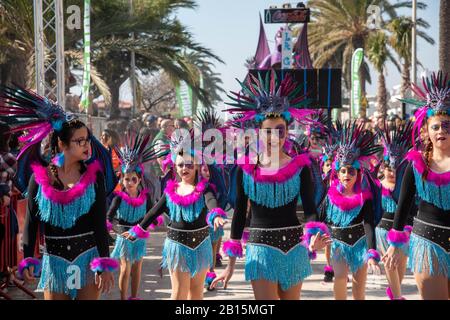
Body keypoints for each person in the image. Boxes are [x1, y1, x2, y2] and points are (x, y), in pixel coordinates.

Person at [211, 72, 331, 300]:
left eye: (280, 130)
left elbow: (310, 208)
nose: (274, 136)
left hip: (295, 248)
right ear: (258, 131)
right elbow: (238, 214)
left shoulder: (300, 166)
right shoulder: (246, 168)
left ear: (287, 131)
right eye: (268, 130)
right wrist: (229, 265)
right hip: (260, 249)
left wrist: (313, 233)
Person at [0, 86, 118, 300]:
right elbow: (32, 222)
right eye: (80, 141)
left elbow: (99, 224)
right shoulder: (39, 178)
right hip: (54, 261)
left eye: (88, 139)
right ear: (62, 144)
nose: (87, 145)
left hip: (88, 259)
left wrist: (104, 262)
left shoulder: (95, 177)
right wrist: (28, 258)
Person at [123, 130, 226, 300]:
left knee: (196, 294)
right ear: (175, 167)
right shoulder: (170, 192)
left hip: (201, 246)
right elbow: (154, 211)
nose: (184, 168)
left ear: (197, 166)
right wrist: (137, 230)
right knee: (178, 294)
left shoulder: (204, 189)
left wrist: (215, 215)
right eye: (180, 165)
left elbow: (211, 202)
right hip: (177, 247)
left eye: (189, 164)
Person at [383, 71, 450, 300]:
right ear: (427, 132)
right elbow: (403, 205)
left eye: (446, 125)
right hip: (428, 243)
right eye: (436, 127)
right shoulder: (417, 165)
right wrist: (394, 244)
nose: (441, 130)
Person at [322, 121, 382, 300]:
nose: (347, 175)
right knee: (340, 278)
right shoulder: (329, 196)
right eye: (343, 171)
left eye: (351, 171)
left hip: (360, 246)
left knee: (358, 289)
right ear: (337, 173)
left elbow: (369, 225)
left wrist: (371, 253)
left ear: (358, 174)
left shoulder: (365, 198)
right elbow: (320, 219)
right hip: (338, 244)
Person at [107, 130, 167, 300]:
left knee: (137, 269)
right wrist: (120, 232)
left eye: (134, 179)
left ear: (139, 180)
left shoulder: (146, 197)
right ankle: (123, 297)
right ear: (122, 180)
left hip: (140, 237)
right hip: (125, 237)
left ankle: (134, 297)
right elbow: (110, 218)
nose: (130, 183)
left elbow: (152, 214)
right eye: (127, 179)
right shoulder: (118, 198)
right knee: (125, 269)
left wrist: (153, 224)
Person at [375, 121, 414, 300]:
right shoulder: (378, 184)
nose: (391, 172)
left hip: (404, 231)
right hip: (384, 231)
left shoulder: (405, 186)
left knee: (401, 268)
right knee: (390, 266)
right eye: (388, 168)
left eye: (395, 168)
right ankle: (397, 297)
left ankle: (395, 294)